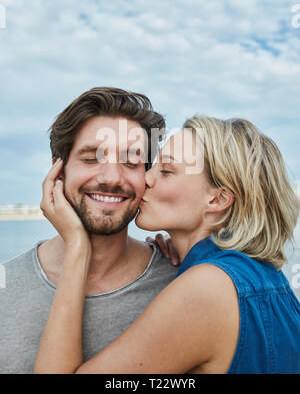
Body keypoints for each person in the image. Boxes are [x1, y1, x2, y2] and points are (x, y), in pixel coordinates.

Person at [34, 115, 300, 374]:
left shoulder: (206, 290)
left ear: (218, 200)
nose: (146, 179)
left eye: (166, 171)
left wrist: (78, 247)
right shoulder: (263, 277)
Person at [0, 87, 178, 374]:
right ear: (58, 171)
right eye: (91, 158)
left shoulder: (180, 280)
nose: (111, 178)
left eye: (131, 162)